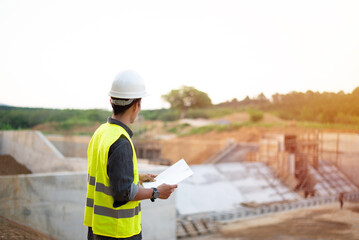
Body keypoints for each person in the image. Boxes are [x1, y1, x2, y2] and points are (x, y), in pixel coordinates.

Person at [84, 70, 177, 240]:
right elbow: (123, 193)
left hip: (98, 227)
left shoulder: (101, 132)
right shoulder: (121, 142)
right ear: (136, 105)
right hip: (118, 231)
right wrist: (157, 192)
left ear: (111, 100)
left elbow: (105, 174)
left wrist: (137, 177)